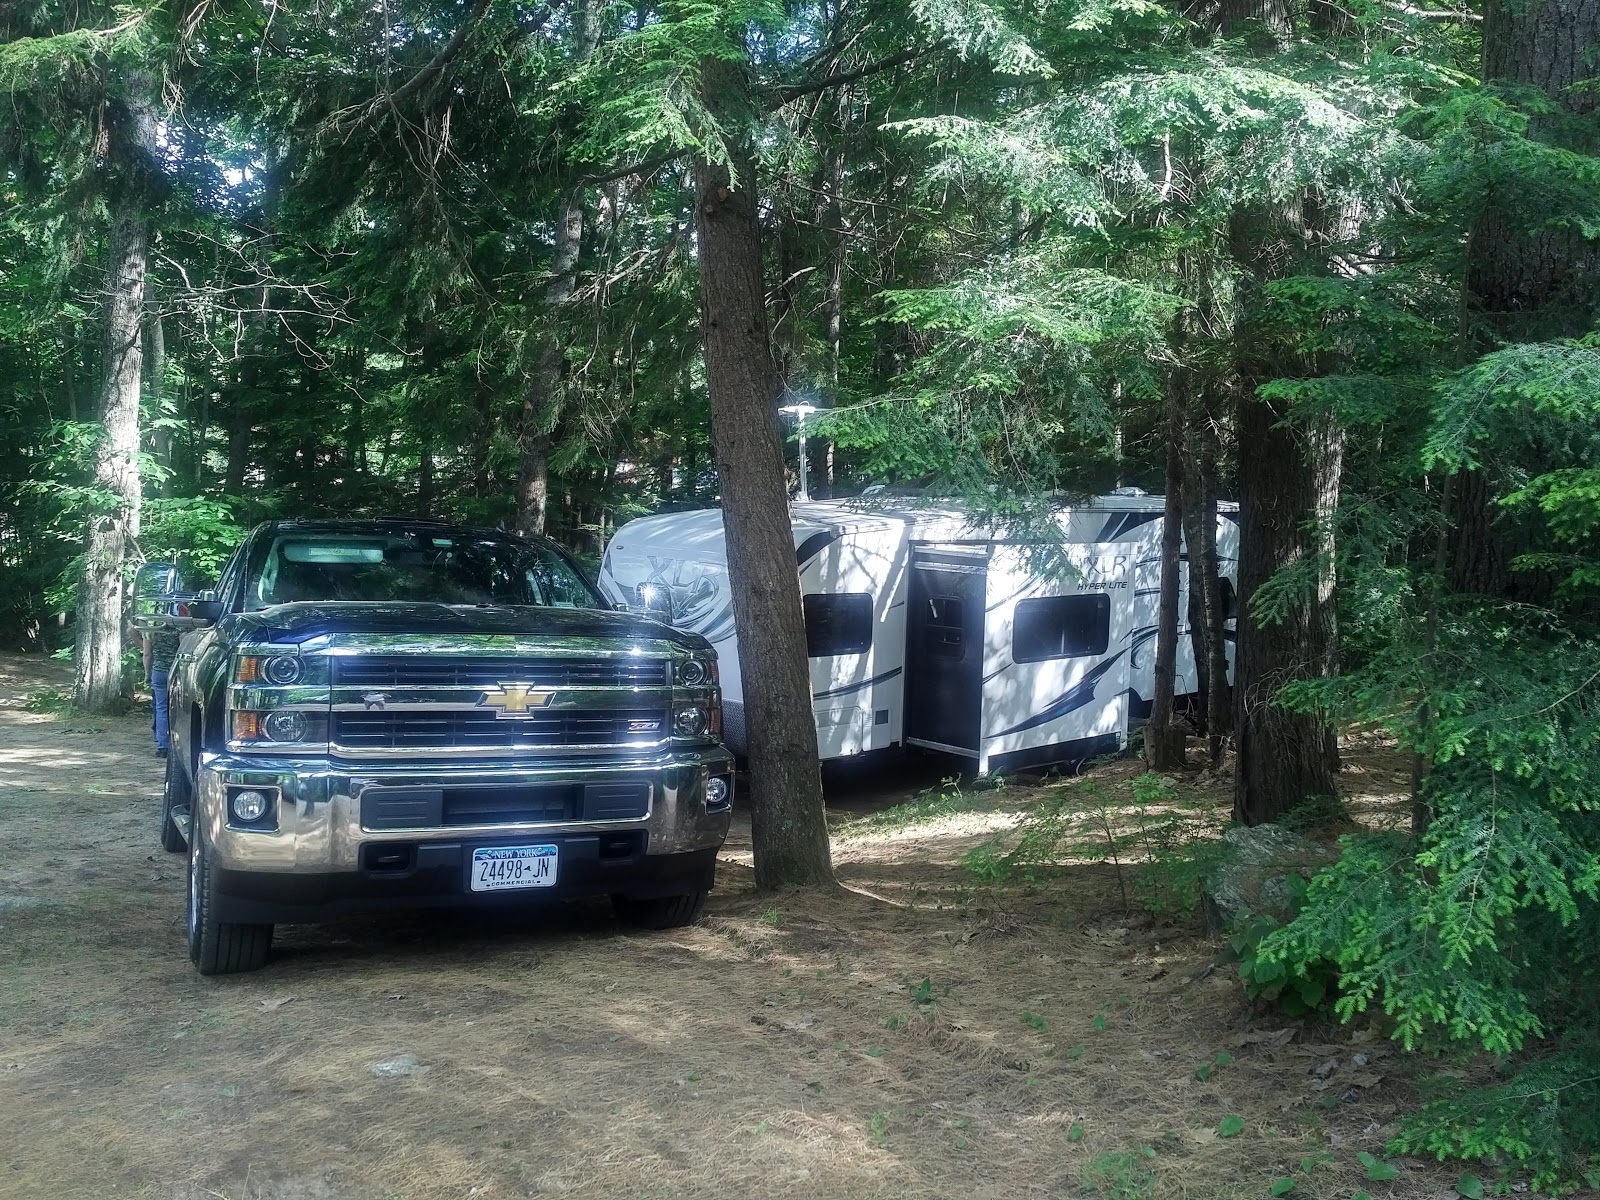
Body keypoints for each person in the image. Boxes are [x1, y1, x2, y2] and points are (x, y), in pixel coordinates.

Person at [142, 627, 181, 758]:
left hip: (158, 671)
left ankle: (162, 745)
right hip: (175, 672)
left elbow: (147, 654)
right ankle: (178, 744)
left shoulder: (151, 630)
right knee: (177, 707)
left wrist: (147, 674)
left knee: (161, 708)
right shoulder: (179, 629)